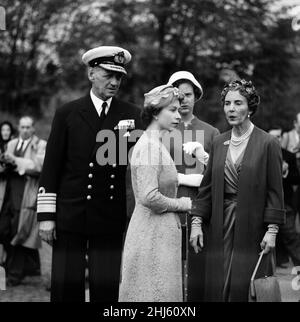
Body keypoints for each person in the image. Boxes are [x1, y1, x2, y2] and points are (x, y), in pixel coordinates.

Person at [37, 46, 143, 302]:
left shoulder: (131, 114)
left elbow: (142, 159)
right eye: (108, 74)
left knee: (105, 288)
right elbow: (52, 166)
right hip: (70, 213)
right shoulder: (67, 113)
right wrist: (46, 216)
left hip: (108, 213)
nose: (115, 82)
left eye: (118, 77)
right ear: (91, 73)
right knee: (65, 285)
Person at [190, 79, 285, 302]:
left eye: (238, 103)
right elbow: (206, 189)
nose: (231, 109)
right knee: (217, 284)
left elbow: (275, 191)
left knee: (245, 285)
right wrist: (196, 224)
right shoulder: (218, 142)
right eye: (227, 103)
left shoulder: (268, 143)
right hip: (219, 225)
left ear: (250, 108)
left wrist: (272, 231)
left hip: (252, 227)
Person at [119, 84, 206, 302]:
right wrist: (184, 204)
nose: (178, 114)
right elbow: (149, 196)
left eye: (178, 109)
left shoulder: (156, 144)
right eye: (172, 110)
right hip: (150, 235)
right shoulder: (148, 146)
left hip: (159, 234)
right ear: (156, 113)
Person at [166, 71, 219, 302]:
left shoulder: (211, 132)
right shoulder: (162, 129)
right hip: (169, 208)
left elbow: (217, 173)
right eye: (179, 95)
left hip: (200, 211)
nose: (184, 99)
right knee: (169, 270)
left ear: (196, 96)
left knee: (198, 271)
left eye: (188, 94)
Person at [0, 116, 46, 286]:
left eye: (28, 127)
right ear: (18, 128)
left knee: (18, 232)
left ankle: (14, 274)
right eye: (22, 127)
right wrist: (5, 163)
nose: (25, 130)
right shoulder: (11, 144)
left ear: (33, 128)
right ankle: (30, 266)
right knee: (4, 229)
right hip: (8, 192)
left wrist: (16, 161)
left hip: (26, 193)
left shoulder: (40, 145)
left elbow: (39, 166)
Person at [268, 126, 300, 267]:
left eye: (279, 136)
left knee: (290, 234)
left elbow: (296, 179)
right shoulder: (263, 154)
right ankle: (276, 263)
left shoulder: (288, 155)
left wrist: (285, 173)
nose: (277, 139)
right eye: (273, 136)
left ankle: (298, 264)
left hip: (286, 201)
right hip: (268, 201)